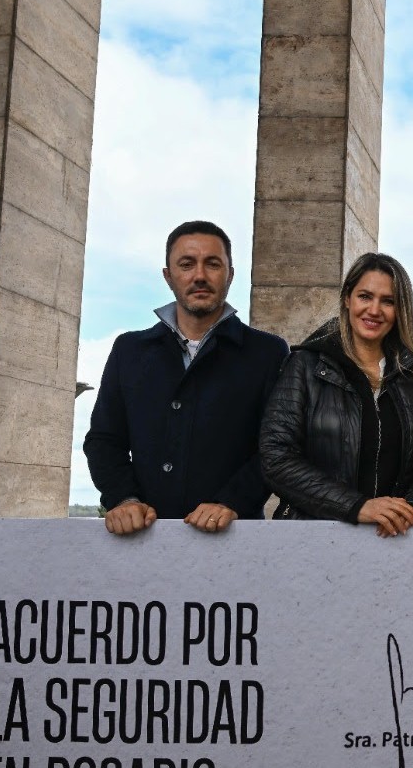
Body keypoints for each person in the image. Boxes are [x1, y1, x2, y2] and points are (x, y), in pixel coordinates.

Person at [84, 220, 290, 536]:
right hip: (142, 537)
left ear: (230, 274)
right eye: (186, 264)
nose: (199, 276)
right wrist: (123, 499)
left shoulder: (267, 353)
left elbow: (278, 447)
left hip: (236, 538)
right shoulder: (130, 350)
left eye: (212, 264)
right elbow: (103, 441)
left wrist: (231, 502)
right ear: (168, 276)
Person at [258, 253, 413, 536]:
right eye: (365, 296)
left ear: (401, 310)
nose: (374, 310)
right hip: (313, 538)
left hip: (395, 540)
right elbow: (276, 456)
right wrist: (357, 507)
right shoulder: (306, 366)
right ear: (347, 299)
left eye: (388, 301)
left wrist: (408, 511)